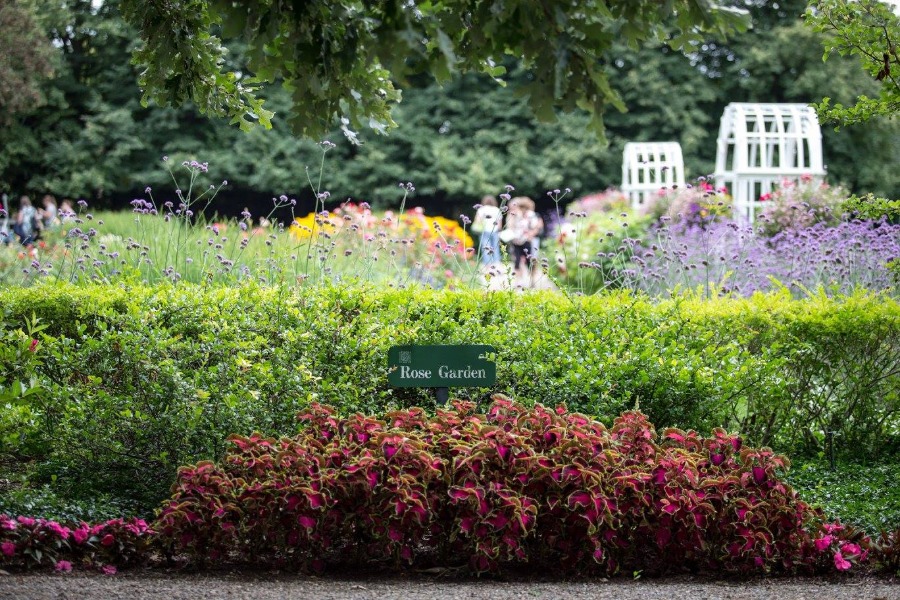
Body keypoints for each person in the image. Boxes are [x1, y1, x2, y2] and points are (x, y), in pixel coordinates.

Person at [471, 195, 502, 265]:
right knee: (495, 248)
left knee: (485, 248)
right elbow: (500, 224)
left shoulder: (481, 209)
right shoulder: (497, 210)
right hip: (495, 231)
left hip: (484, 231)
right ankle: (497, 264)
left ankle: (487, 265)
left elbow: (477, 221)